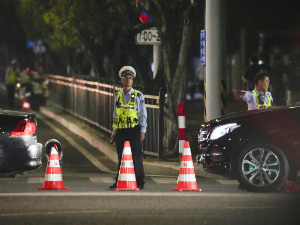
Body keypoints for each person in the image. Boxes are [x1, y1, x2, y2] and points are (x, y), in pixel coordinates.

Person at [109, 66, 147, 189]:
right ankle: (120, 180)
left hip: (133, 130)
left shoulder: (138, 95)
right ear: (122, 80)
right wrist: (114, 132)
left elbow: (142, 114)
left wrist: (142, 130)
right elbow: (115, 114)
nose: (128, 80)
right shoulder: (117, 96)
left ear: (133, 81)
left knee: (136, 155)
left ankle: (139, 181)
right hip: (121, 130)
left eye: (130, 78)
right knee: (121, 156)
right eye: (126, 78)